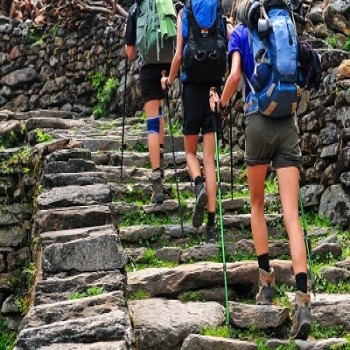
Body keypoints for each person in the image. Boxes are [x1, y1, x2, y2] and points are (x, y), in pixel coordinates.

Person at [209, 2, 312, 340]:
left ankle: (266, 283)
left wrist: (221, 104)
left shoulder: (241, 32)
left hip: (257, 123)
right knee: (291, 215)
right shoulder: (288, 27)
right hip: (288, 125)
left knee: (256, 205)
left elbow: (236, 76)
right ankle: (303, 299)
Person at [161, 0, 230, 243]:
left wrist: (168, 82)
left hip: (191, 89)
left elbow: (179, 55)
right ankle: (211, 227)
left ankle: (198, 185)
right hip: (214, 87)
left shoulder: (185, 13)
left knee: (190, 151)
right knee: (209, 160)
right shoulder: (219, 10)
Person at [124, 1, 172, 204]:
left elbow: (130, 54)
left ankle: (155, 178)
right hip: (168, 67)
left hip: (148, 68)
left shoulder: (136, 9)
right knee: (160, 112)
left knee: (152, 121)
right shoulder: (167, 3)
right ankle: (160, 158)